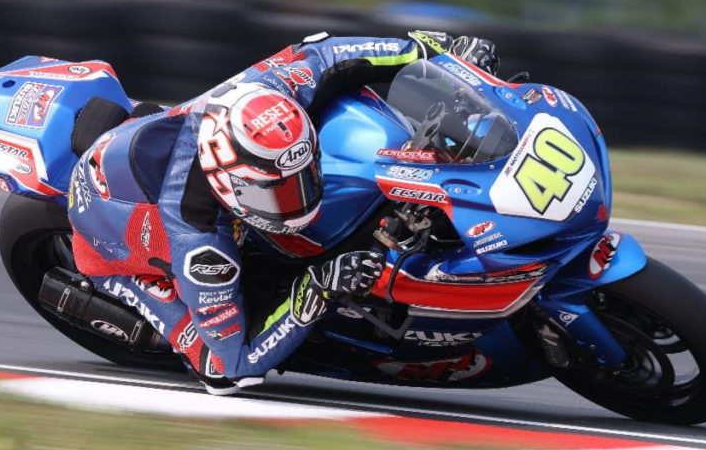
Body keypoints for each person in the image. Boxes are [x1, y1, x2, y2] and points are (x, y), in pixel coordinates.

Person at [66, 30, 498, 394]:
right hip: (116, 247)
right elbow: (235, 361)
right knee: (214, 363)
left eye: (301, 177)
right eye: (274, 193)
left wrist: (437, 53)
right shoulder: (199, 243)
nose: (297, 199)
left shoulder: (272, 89)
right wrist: (321, 287)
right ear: (229, 186)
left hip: (154, 147)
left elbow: (331, 53)